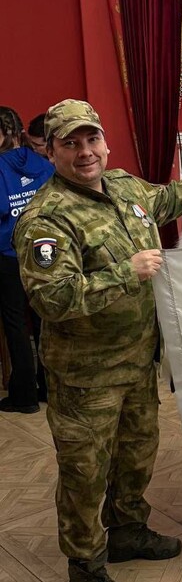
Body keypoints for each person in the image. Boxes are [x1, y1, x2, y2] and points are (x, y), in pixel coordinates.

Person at [15, 99, 182, 582]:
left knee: (137, 454)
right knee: (85, 473)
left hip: (139, 362)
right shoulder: (46, 218)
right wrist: (127, 271)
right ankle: (86, 569)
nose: (85, 152)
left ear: (105, 142)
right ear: (50, 152)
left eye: (91, 139)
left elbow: (173, 197)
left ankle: (128, 530)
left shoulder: (124, 187)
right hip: (86, 377)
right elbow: (51, 299)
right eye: (70, 143)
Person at [0, 107, 54, 413]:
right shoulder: (42, 162)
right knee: (44, 319)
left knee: (16, 324)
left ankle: (24, 395)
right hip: (43, 250)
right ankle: (47, 387)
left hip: (8, 254)